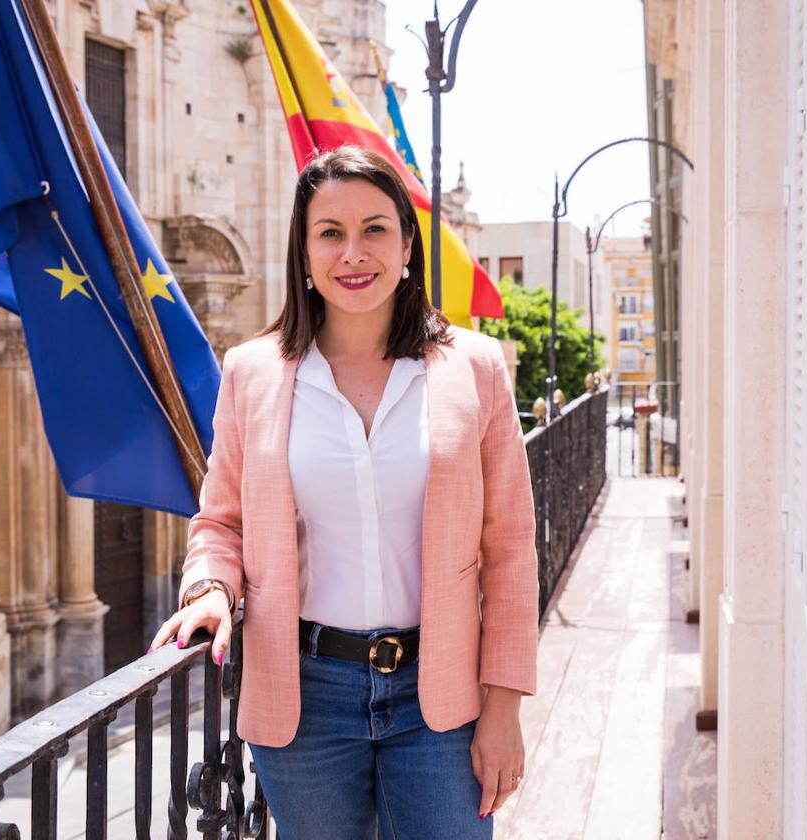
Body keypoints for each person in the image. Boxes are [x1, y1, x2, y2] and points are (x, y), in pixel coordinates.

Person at [149, 145, 538, 839]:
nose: (352, 252)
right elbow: (221, 522)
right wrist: (210, 588)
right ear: (304, 251)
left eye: (374, 229)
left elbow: (509, 547)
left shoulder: (473, 368)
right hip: (305, 697)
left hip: (442, 695)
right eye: (330, 232)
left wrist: (503, 703)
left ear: (408, 246)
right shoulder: (252, 373)